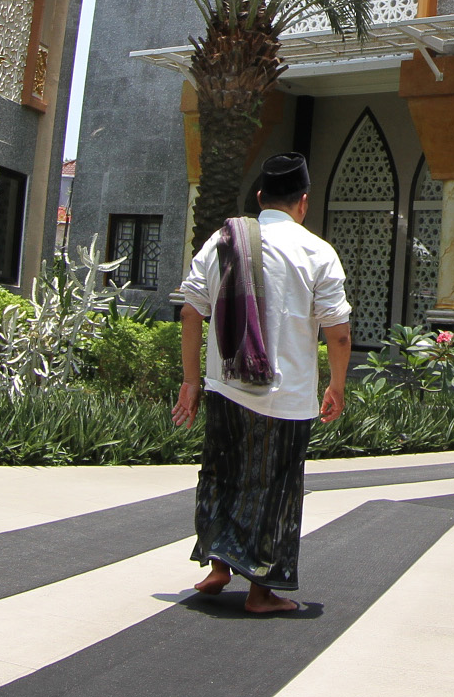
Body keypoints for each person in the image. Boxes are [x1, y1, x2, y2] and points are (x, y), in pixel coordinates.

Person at [174, 152, 352, 613]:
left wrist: (191, 381)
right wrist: (336, 385)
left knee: (222, 471)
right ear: (303, 202)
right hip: (285, 393)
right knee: (275, 485)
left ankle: (218, 564)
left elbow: (191, 311)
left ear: (259, 198)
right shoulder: (317, 251)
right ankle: (261, 590)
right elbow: (338, 332)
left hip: (225, 384)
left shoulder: (222, 240)